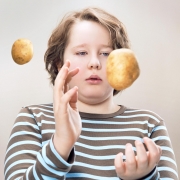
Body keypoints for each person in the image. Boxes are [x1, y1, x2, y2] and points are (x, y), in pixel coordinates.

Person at [4, 7, 179, 180]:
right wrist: (60, 145)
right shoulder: (33, 119)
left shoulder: (149, 125)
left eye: (105, 53)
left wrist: (144, 177)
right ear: (59, 63)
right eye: (81, 52)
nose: (94, 63)